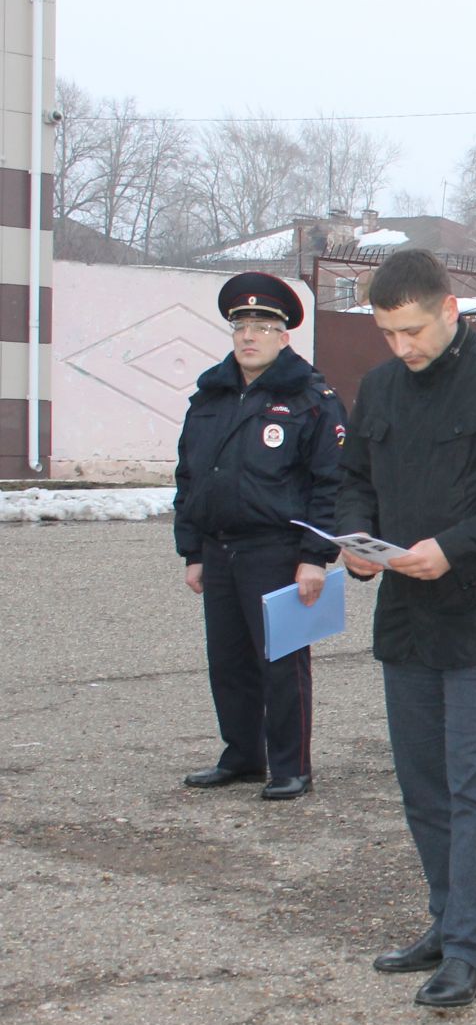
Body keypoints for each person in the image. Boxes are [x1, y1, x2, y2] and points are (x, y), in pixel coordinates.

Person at [337, 251, 476, 1010]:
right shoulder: (378, 387)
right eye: (386, 333)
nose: (400, 348)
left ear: (450, 310)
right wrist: (357, 542)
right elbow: (354, 483)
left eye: (411, 331)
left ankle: (469, 949)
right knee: (423, 787)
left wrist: (455, 548)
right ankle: (444, 921)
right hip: (405, 612)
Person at [175, 273, 346, 801]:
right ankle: (243, 755)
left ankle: (291, 766)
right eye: (241, 325)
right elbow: (190, 476)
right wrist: (192, 550)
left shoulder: (310, 398)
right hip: (221, 548)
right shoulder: (211, 395)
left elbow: (331, 483)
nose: (250, 336)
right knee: (227, 661)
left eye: (263, 326)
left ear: (284, 336)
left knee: (282, 662)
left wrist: (316, 557)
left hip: (278, 550)